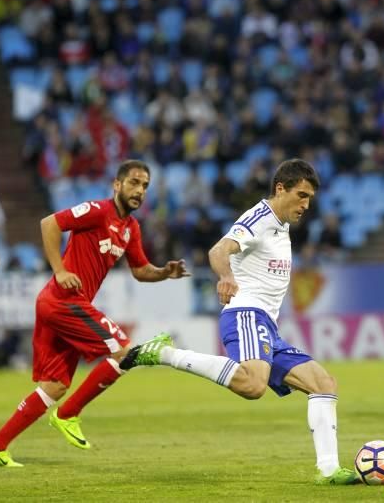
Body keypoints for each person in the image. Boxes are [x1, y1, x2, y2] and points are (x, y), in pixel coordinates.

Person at [121, 159, 358, 485]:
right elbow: (219, 250)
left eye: (310, 199)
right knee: (253, 385)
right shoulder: (259, 217)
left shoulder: (282, 223)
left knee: (324, 385)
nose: (305, 205)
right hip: (246, 313)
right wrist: (227, 276)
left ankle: (330, 470)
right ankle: (165, 354)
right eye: (301, 195)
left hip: (267, 326)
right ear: (280, 188)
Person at [0, 160, 189, 467]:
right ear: (117, 185)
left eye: (144, 186)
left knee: (56, 386)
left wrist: (163, 273)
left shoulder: (130, 228)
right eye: (133, 182)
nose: (139, 190)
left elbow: (141, 270)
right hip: (63, 300)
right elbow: (49, 223)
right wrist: (60, 270)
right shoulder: (97, 211)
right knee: (123, 352)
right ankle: (68, 414)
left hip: (64, 305)